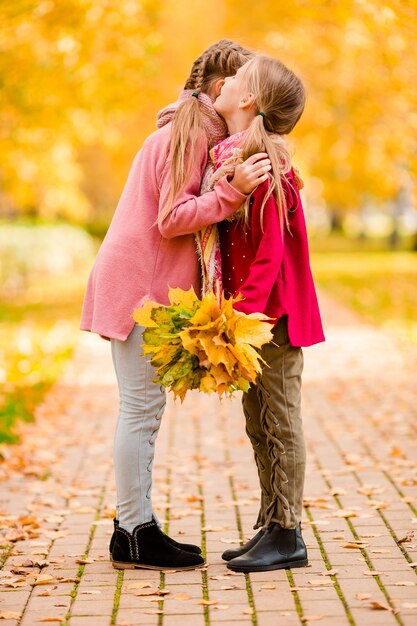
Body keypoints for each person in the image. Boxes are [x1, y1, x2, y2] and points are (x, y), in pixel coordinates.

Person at [80, 40, 272, 571]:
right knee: (140, 410)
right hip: (141, 288)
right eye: (246, 82)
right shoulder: (187, 134)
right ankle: (133, 531)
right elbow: (171, 217)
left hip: (143, 284)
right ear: (220, 89)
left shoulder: (195, 131)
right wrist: (231, 192)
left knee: (143, 410)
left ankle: (134, 527)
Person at [209, 55, 325, 572]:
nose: (225, 81)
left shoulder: (269, 165)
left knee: (280, 420)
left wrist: (244, 317)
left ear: (249, 99)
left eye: (236, 78)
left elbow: (272, 248)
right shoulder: (236, 161)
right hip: (253, 318)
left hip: (270, 319)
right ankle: (270, 522)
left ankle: (289, 533)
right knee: (258, 422)